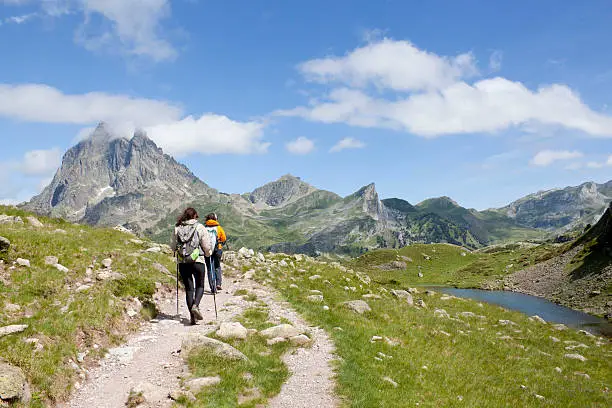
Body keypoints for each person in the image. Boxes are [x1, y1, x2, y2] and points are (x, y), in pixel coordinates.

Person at [171, 207, 212, 325]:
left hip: (183, 262)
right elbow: (207, 246)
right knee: (200, 286)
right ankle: (196, 306)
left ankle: (192, 317)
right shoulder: (200, 227)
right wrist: (208, 254)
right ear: (195, 216)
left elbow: (173, 247)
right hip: (197, 260)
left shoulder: (177, 228)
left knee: (189, 289)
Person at [204, 213, 227, 293]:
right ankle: (218, 283)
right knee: (217, 266)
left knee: (210, 268)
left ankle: (213, 288)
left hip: (207, 250)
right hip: (218, 249)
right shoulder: (219, 228)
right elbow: (223, 238)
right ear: (215, 219)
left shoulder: (204, 228)